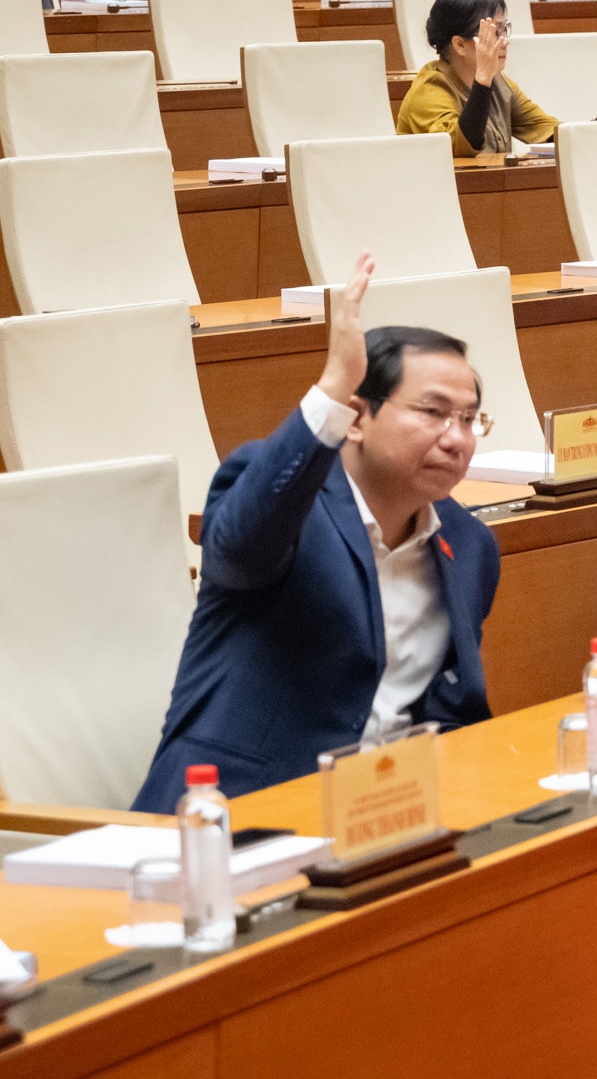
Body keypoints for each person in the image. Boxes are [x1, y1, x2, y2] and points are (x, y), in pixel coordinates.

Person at [134, 255, 501, 810]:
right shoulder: (284, 505)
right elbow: (238, 546)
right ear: (355, 418)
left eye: (469, 419)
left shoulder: (469, 546)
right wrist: (331, 386)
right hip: (235, 811)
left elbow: (444, 711)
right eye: (433, 412)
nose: (457, 438)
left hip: (382, 812)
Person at [394, 0, 556, 155]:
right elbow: (460, 147)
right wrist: (483, 81)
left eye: (504, 30)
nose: (504, 42)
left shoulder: (500, 84)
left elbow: (546, 129)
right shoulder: (429, 90)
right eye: (494, 33)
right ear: (459, 44)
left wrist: (577, 132)